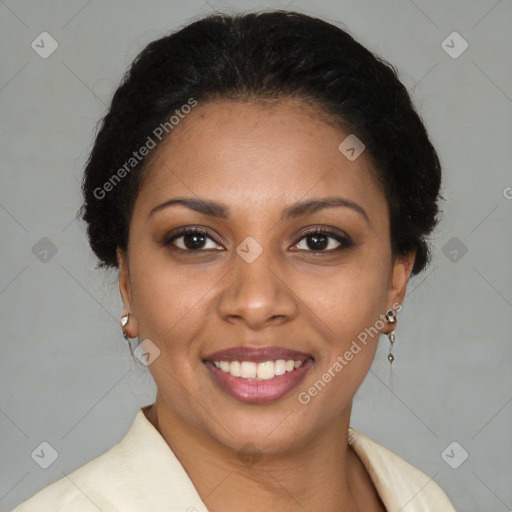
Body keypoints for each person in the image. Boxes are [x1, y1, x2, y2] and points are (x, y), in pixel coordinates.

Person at [12, 10, 456, 512]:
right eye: (196, 241)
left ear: (396, 278)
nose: (256, 302)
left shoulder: (422, 499)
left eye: (317, 242)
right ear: (128, 281)